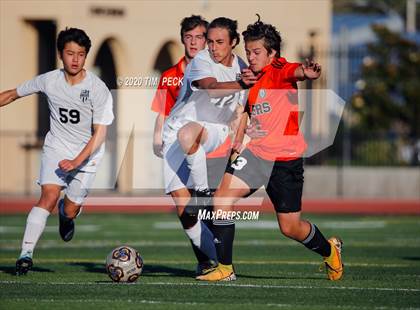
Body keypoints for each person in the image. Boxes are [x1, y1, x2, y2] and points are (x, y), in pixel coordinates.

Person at [197, 16, 343, 282]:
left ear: (272, 54)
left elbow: (297, 71)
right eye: (248, 52)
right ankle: (225, 269)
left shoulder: (279, 69)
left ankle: (329, 250)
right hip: (257, 154)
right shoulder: (250, 79)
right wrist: (238, 143)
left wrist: (309, 72)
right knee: (221, 199)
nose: (251, 57)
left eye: (256, 52)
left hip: (286, 160)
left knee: (290, 228)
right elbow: (245, 113)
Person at [0, 28, 114, 275]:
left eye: (81, 54)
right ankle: (25, 255)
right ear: (61, 54)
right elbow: (12, 94)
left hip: (88, 155)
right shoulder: (48, 80)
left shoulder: (98, 88)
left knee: (70, 208)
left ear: (86, 57)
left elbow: (100, 134)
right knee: (48, 197)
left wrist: (76, 161)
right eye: (70, 53)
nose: (75, 59)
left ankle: (67, 215)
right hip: (57, 147)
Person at [161, 17, 256, 278]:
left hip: (212, 130)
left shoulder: (243, 67)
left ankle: (202, 194)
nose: (213, 47)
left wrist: (240, 142)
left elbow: (240, 111)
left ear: (234, 42)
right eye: (210, 42)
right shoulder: (201, 61)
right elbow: (211, 88)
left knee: (188, 133)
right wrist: (242, 84)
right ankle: (215, 263)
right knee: (184, 211)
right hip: (175, 131)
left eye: (219, 42)